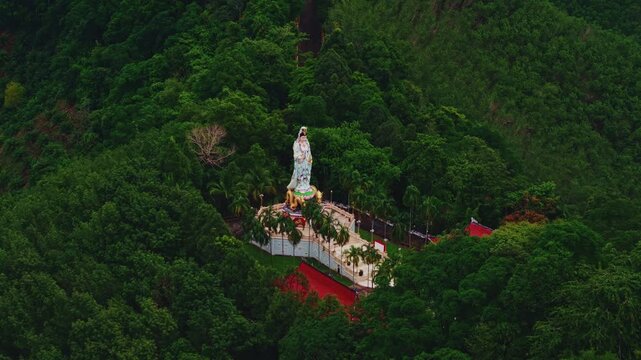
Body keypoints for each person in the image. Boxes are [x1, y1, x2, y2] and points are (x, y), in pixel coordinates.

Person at [287, 126, 313, 193]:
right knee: (300, 174)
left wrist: (310, 158)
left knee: (306, 174)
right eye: (302, 137)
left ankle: (306, 185)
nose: (304, 138)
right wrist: (300, 157)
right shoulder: (297, 144)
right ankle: (300, 186)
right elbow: (295, 154)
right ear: (300, 137)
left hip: (306, 162)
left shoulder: (307, 143)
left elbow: (309, 152)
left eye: (305, 137)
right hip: (300, 162)